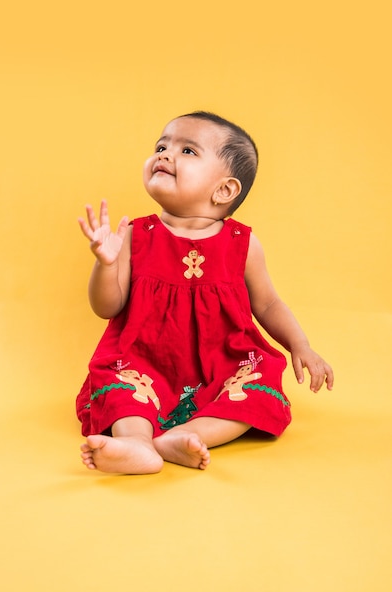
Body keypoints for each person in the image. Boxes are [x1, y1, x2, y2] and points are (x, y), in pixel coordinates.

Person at [76, 111, 333, 475]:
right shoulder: (136, 235)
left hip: (224, 362)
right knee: (120, 384)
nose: (165, 154)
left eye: (187, 151)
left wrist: (300, 345)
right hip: (145, 358)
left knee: (255, 387)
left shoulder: (242, 243)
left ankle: (185, 437)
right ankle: (135, 443)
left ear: (224, 189)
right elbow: (107, 307)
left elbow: (268, 302)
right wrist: (106, 263)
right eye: (161, 146)